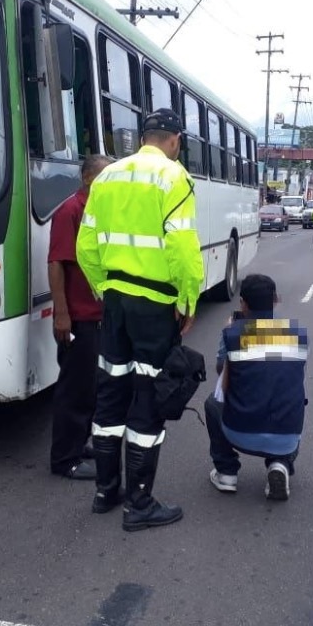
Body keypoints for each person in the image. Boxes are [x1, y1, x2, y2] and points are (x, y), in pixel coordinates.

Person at [76, 108, 205, 532]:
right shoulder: (174, 177)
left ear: (144, 136)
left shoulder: (108, 176)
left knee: (111, 393)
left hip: (114, 300)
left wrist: (103, 287)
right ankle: (140, 504)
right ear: (174, 140)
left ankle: (105, 492)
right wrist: (187, 300)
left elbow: (87, 244)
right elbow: (182, 248)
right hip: (154, 305)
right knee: (149, 396)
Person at [207, 273, 308, 501]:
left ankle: (226, 473)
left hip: (239, 431)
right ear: (274, 301)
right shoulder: (298, 335)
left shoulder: (233, 334)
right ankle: (280, 464)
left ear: (243, 303)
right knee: (294, 396)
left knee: (211, 403)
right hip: (286, 436)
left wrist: (229, 335)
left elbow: (221, 373)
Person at [48, 155, 112, 480]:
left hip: (98, 314)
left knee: (92, 388)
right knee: (75, 391)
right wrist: (62, 313)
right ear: (88, 178)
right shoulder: (70, 211)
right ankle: (65, 460)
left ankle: (79, 443)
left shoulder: (101, 210)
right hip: (77, 317)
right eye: (106, 177)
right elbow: (57, 263)